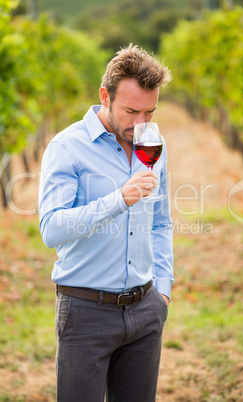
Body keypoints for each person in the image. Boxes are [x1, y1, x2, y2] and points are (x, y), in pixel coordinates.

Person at [39, 44, 173, 402]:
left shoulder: (152, 143)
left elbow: (160, 222)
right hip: (85, 313)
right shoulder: (67, 148)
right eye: (131, 111)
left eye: (150, 112)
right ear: (105, 96)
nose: (141, 124)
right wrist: (118, 200)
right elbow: (52, 229)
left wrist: (163, 291)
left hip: (146, 310)